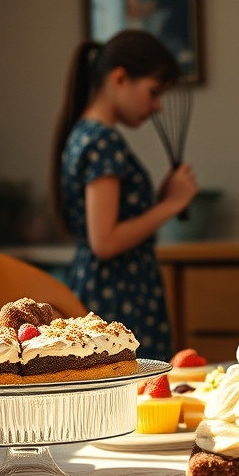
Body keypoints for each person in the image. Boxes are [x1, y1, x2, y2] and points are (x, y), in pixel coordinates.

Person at [50, 30, 197, 363]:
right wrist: (170, 206)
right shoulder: (104, 142)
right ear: (120, 78)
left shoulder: (84, 134)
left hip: (102, 287)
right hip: (117, 294)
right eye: (154, 91)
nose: (158, 106)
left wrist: (158, 201)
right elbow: (106, 240)